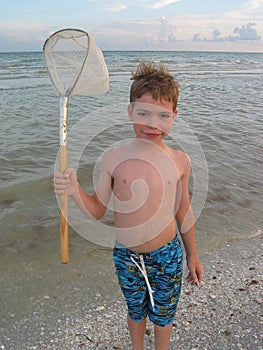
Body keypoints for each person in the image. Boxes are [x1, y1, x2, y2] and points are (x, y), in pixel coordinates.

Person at [53, 62, 203, 350]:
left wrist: (192, 255)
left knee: (163, 315)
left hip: (168, 254)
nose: (152, 124)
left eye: (162, 115)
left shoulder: (180, 160)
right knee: (135, 312)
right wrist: (73, 190)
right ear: (130, 111)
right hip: (127, 256)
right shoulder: (113, 158)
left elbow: (184, 210)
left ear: (174, 117)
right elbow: (97, 208)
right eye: (143, 113)